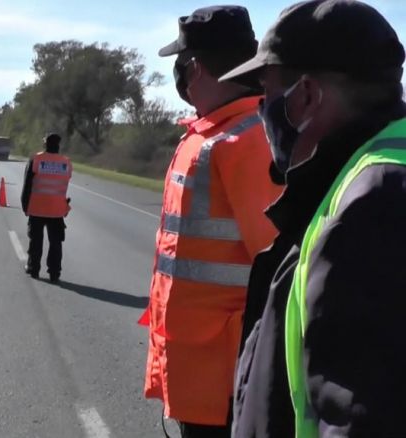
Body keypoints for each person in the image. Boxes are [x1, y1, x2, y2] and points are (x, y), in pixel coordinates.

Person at [218, 1, 406, 436]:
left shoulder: (373, 204)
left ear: (304, 96)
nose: (261, 110)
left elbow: (358, 419)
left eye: (266, 94)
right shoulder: (366, 175)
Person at [138, 6, 282, 437]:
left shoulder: (247, 140)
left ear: (195, 67)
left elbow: (279, 268)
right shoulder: (210, 135)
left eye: (180, 64)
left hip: (227, 379)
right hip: (198, 368)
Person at [21, 133, 71, 283]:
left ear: (45, 145)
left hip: (37, 208)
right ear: (58, 146)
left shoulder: (36, 159)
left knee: (36, 240)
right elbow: (64, 183)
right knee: (56, 243)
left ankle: (33, 268)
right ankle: (55, 273)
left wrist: (25, 204)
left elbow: (27, 185)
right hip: (57, 210)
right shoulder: (66, 163)